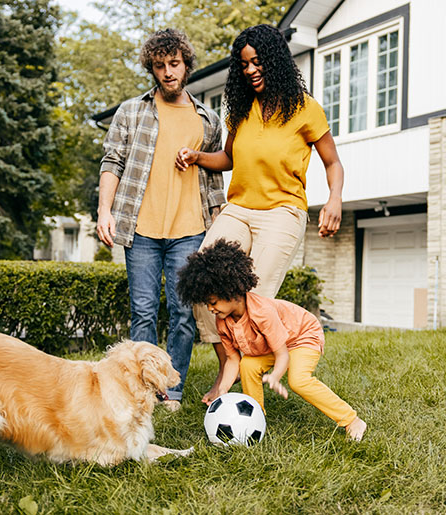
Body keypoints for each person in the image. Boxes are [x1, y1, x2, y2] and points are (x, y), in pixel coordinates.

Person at [175, 24, 345, 402]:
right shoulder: (242, 108)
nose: (251, 70)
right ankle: (228, 364)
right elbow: (229, 158)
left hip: (283, 211)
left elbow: (333, 162)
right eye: (244, 64)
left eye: (257, 62)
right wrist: (198, 156)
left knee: (253, 298)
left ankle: (252, 376)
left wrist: (334, 199)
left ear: (274, 61)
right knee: (200, 281)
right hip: (239, 207)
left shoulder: (304, 108)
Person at [96, 28, 224, 411]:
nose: (168, 72)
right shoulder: (131, 112)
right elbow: (112, 163)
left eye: (174, 64)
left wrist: (218, 228)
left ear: (186, 65)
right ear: (151, 69)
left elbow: (215, 179)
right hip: (141, 230)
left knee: (184, 313)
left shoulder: (208, 120)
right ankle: (141, 390)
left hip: (190, 231)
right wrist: (105, 210)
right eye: (159, 66)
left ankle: (173, 391)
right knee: (143, 314)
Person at [176, 239, 367, 442]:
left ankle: (351, 420)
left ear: (231, 292)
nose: (210, 309)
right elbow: (233, 360)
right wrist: (223, 389)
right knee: (247, 365)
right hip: (277, 344)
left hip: (302, 336)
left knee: (298, 380)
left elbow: (282, 354)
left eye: (213, 302)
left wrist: (275, 375)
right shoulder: (222, 321)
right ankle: (257, 420)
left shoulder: (261, 312)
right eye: (207, 304)